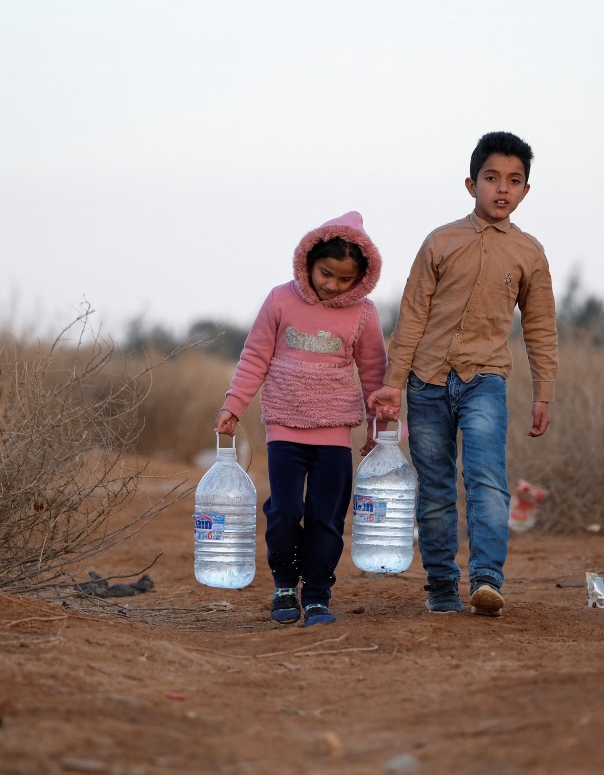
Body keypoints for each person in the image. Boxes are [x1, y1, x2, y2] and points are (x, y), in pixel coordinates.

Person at [368, 131, 559, 618]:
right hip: (427, 382)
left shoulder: (529, 254)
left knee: (486, 478)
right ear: (471, 184)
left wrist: (545, 392)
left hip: (486, 380)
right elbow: (411, 315)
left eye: (514, 181)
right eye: (492, 178)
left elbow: (539, 326)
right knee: (434, 485)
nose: (502, 189)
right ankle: (440, 584)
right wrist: (394, 381)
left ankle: (488, 579)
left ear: (525, 192)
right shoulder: (441, 242)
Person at [215, 211, 388, 627]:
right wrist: (233, 405)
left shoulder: (364, 314)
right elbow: (255, 356)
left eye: (344, 279)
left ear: (361, 279)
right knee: (286, 509)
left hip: (335, 430)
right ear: (308, 261)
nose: (332, 285)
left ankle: (316, 594)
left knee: (327, 515)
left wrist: (379, 427)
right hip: (284, 426)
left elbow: (373, 372)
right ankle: (285, 585)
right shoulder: (280, 299)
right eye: (325, 273)